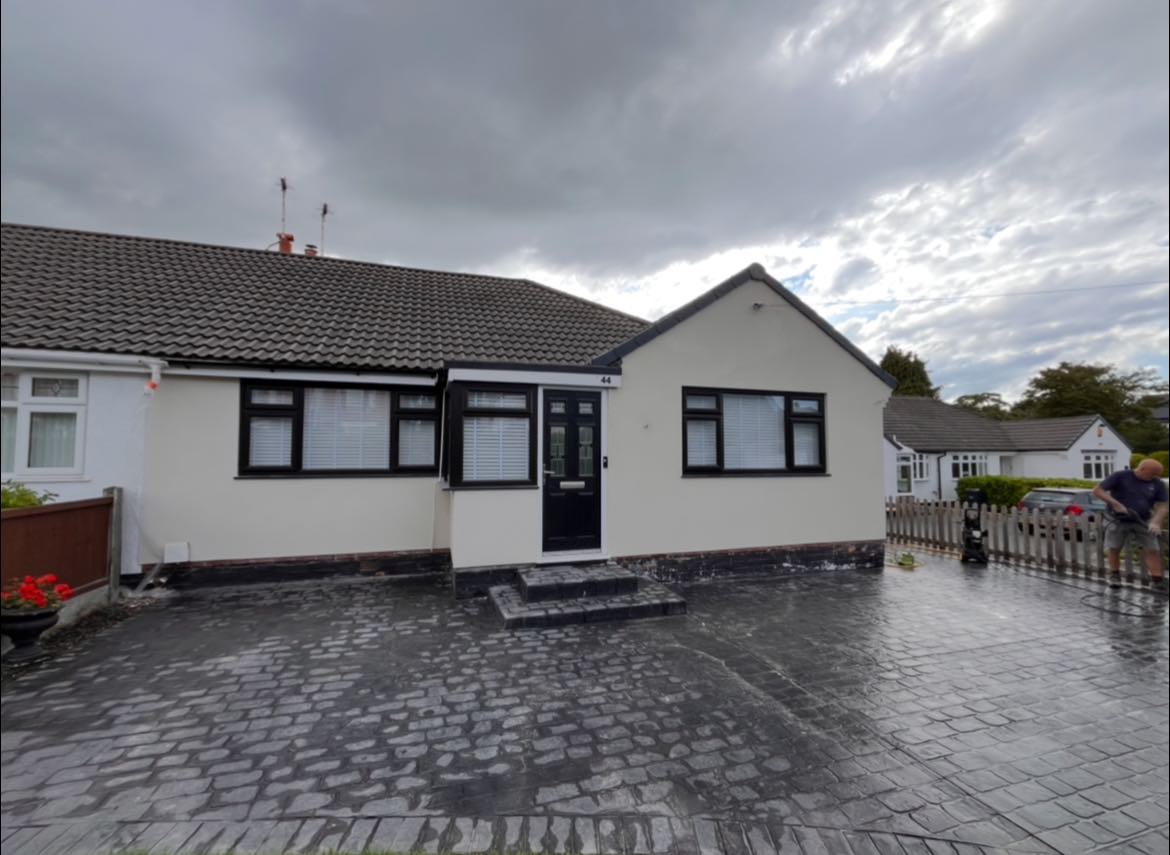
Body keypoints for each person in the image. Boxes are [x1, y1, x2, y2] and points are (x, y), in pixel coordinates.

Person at [1092, 459, 1168, 589]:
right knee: (1114, 548)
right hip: (1117, 519)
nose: (1154, 477)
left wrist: (1156, 522)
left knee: (1153, 549)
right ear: (1142, 469)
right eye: (1152, 474)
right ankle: (1115, 576)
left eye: (1157, 475)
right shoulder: (1120, 476)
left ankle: (1157, 581)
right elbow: (1097, 491)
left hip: (1142, 520)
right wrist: (1115, 504)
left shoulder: (1157, 483)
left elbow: (1163, 506)